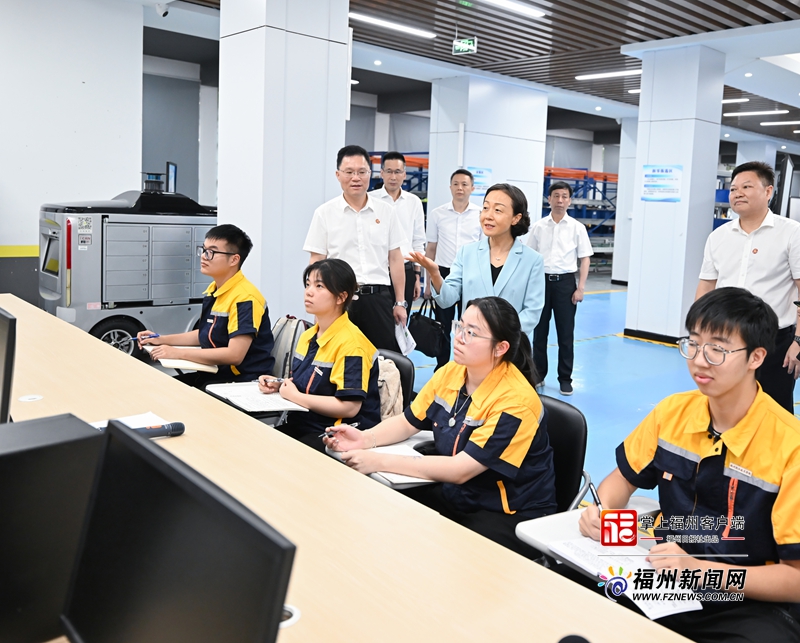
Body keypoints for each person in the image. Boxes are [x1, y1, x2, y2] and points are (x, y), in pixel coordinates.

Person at [578, 287, 800, 643]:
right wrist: (603, 514)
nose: (699, 360)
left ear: (756, 357)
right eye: (693, 344)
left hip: (745, 600)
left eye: (717, 349)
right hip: (664, 575)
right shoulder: (672, 413)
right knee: (573, 597)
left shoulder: (790, 445)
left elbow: (795, 579)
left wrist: (699, 571)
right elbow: (621, 479)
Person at [325, 296, 556, 558]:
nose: (459, 337)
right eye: (460, 326)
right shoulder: (452, 372)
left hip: (510, 512)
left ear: (500, 348)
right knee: (387, 509)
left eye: (471, 333)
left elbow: (460, 470)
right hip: (463, 494)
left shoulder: (516, 402)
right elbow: (407, 421)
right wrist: (365, 439)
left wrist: (377, 461)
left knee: (451, 550)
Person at [696, 160, 800, 413]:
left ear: (768, 191)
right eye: (733, 189)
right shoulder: (718, 237)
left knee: (774, 411)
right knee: (725, 407)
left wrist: (799, 341)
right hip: (725, 339)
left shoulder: (791, 233)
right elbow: (706, 286)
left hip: (775, 342)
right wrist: (698, 335)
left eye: (746, 186)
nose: (737, 193)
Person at [258, 259, 381, 452]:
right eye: (308, 284)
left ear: (341, 297)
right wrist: (280, 384)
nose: (309, 291)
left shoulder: (352, 344)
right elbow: (309, 383)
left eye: (319, 286)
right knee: (256, 441)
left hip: (336, 434)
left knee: (275, 452)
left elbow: (349, 407)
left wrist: (296, 397)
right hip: (305, 425)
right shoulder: (308, 335)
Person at [137, 224, 274, 387]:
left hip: (240, 382)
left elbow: (234, 355)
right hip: (215, 373)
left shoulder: (245, 298)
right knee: (157, 386)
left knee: (169, 393)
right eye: (203, 250)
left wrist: (178, 353)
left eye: (211, 252)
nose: (203, 256)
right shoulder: (215, 289)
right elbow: (205, 334)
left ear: (234, 259)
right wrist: (160, 339)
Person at [410, 183, 544, 347]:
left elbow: (532, 312)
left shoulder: (532, 260)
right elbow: (447, 299)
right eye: (485, 208)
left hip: (508, 347)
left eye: (498, 210)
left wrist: (498, 336)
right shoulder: (467, 253)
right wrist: (435, 274)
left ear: (516, 218)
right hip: (470, 346)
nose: (488, 215)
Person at [304, 145, 407, 352]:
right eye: (349, 172)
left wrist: (400, 302)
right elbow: (317, 262)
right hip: (339, 299)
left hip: (378, 299)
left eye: (362, 172)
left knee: (382, 360)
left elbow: (395, 259)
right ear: (338, 175)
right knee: (338, 356)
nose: (356, 178)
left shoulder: (386, 212)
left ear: (370, 174)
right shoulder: (324, 213)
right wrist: (318, 305)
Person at [527, 181, 593, 396]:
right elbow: (529, 257)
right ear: (549, 199)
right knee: (540, 333)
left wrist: (580, 288)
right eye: (556, 196)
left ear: (569, 200)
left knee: (565, 334)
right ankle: (538, 374)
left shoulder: (577, 227)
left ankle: (565, 378)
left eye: (564, 196)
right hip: (541, 283)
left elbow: (585, 259)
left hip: (566, 284)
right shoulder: (538, 227)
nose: (560, 200)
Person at [424, 169, 483, 369]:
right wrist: (428, 283)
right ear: (450, 187)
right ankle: (442, 367)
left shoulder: (480, 215)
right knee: (443, 324)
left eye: (464, 184)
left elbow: (485, 250)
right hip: (443, 274)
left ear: (472, 188)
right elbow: (431, 249)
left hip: (471, 274)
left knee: (469, 323)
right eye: (456, 184)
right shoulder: (437, 214)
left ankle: (465, 365)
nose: (460, 188)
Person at [371, 151, 426, 310]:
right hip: (377, 271)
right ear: (382, 173)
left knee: (401, 320)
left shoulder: (414, 202)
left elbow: (418, 241)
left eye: (397, 172)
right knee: (378, 319)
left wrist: (417, 276)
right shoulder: (370, 200)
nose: (393, 177)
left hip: (406, 270)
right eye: (389, 171)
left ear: (404, 174)